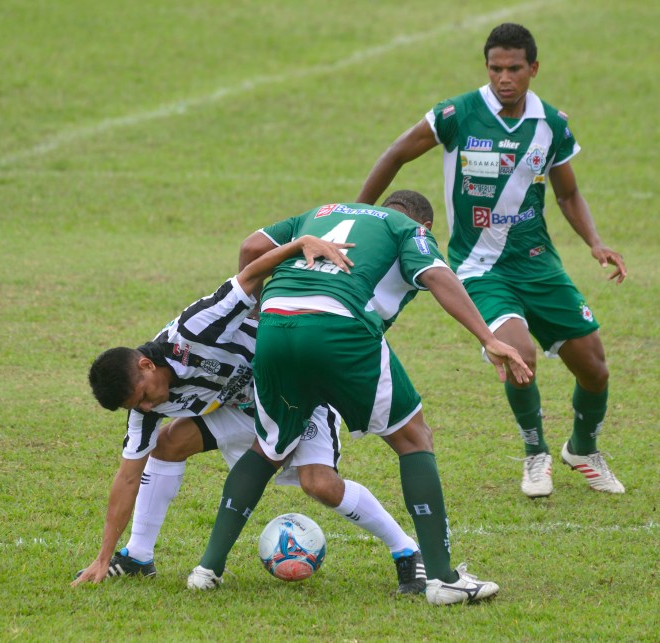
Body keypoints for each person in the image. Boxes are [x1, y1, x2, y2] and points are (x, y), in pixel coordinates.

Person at [186, 193, 533, 606]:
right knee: (414, 439)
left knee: (268, 447)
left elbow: (250, 248)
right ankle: (442, 580)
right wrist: (488, 338)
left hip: (275, 325)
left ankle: (207, 569)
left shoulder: (320, 211)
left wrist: (267, 304)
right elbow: (439, 276)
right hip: (339, 327)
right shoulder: (407, 230)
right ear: (424, 227)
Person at [356, 23, 627, 498]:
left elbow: (568, 193)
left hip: (539, 265)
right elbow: (396, 153)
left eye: (514, 69)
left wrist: (595, 242)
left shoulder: (551, 126)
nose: (504, 78)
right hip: (478, 267)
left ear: (533, 69)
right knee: (518, 355)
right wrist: (357, 214)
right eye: (496, 68)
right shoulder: (457, 114)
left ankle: (582, 449)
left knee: (595, 368)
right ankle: (535, 452)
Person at [72, 234, 429, 595]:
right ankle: (137, 555)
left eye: (144, 397)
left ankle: (407, 551)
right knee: (165, 445)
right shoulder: (145, 407)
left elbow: (249, 276)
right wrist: (103, 556)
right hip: (245, 408)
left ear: (146, 365)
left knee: (319, 484)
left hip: (298, 390)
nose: (148, 408)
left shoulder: (195, 329)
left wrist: (299, 244)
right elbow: (128, 477)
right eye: (138, 407)